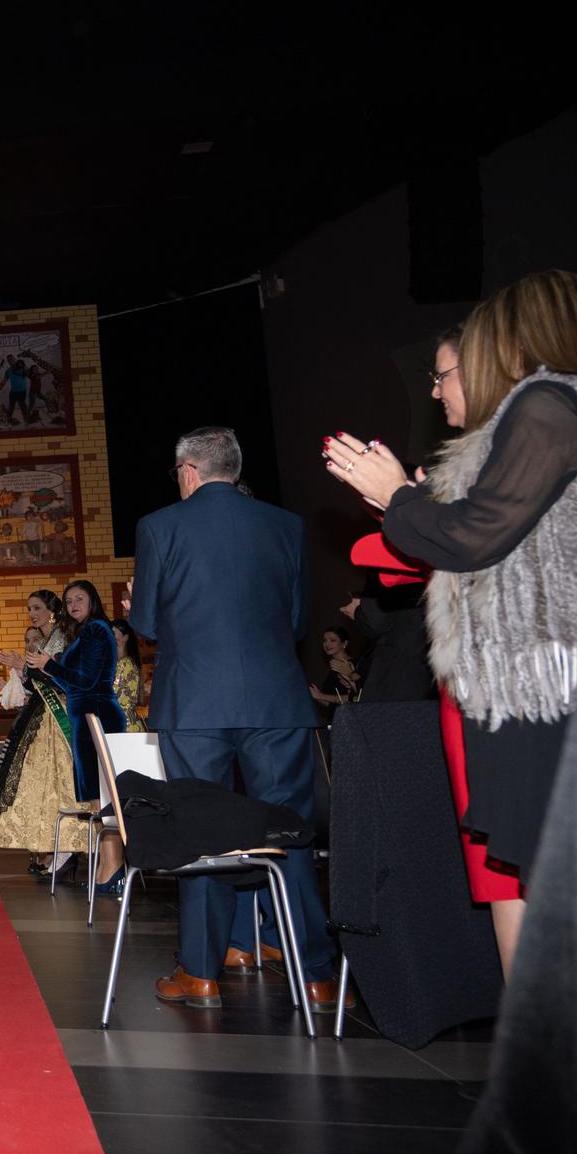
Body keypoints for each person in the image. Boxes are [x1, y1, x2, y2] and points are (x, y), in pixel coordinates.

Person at [325, 268, 577, 973]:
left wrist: (398, 500)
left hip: (546, 683)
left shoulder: (548, 402)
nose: (446, 380)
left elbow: (478, 534)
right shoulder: (566, 406)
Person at [132, 425, 341, 1013]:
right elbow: (298, 622)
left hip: (195, 702)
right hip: (276, 701)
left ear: (188, 471)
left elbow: (146, 623)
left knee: (198, 831)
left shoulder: (160, 526)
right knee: (289, 830)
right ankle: (314, 973)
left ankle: (201, 972)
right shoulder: (285, 525)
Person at [25, 579, 127, 891]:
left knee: (102, 795)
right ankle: (107, 866)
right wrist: (47, 667)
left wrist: (50, 665)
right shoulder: (85, 632)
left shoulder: (96, 630)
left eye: (79, 599)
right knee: (96, 796)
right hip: (86, 715)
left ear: (93, 600)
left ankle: (113, 868)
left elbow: (87, 680)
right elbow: (73, 684)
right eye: (68, 601)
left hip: (96, 715)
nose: (72, 605)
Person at [0, 591, 79, 870]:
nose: (32, 613)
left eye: (36, 608)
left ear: (52, 610)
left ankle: (65, 848)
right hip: (41, 718)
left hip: (57, 718)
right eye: (28, 609)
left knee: (60, 783)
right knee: (42, 784)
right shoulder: (46, 640)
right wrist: (21, 671)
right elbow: (37, 683)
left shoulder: (63, 638)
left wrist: (24, 666)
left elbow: (61, 680)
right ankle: (50, 846)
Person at [308, 626, 362, 711]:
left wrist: (321, 696)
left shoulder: (349, 665)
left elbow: (355, 697)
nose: (327, 644)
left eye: (333, 640)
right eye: (325, 640)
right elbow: (332, 705)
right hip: (338, 718)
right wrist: (317, 697)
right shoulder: (334, 667)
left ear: (344, 643)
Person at [110, 619, 145, 732]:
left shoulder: (125, 664)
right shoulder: (117, 663)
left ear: (125, 638)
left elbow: (114, 693)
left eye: (113, 633)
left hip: (126, 725)